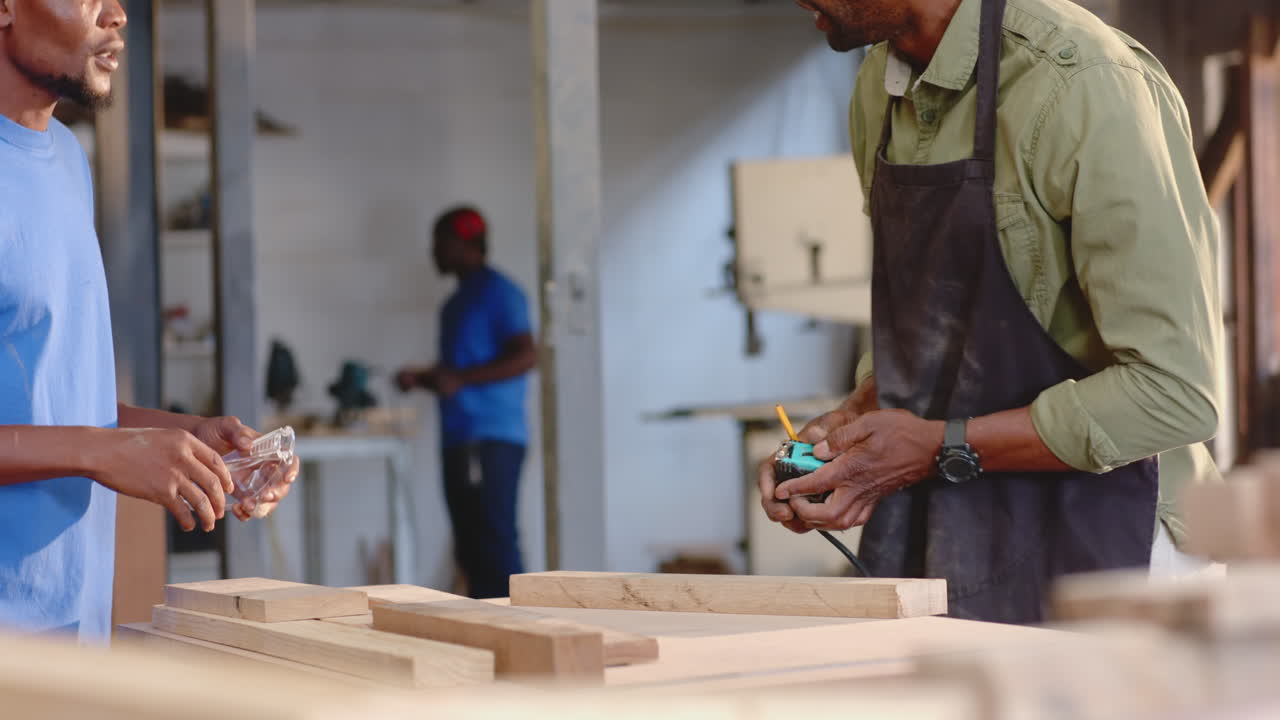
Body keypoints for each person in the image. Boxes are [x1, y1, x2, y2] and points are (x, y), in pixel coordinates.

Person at [760, 0, 1223, 623]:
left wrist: (934, 447)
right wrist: (854, 424)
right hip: (951, 545)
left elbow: (1175, 395)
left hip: (1110, 558)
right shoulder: (880, 86)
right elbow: (934, 316)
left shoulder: (1086, 83)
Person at [0, 0, 297, 643]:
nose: (116, 13)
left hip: (71, 623)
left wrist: (188, 439)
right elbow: (82, 440)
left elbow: (50, 397)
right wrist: (106, 452)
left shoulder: (67, 161)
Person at [396, 207, 537, 599]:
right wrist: (422, 378)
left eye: (440, 242)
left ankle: (521, 632)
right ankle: (488, 639)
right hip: (459, 440)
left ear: (466, 244)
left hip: (490, 440)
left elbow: (526, 355)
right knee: (471, 550)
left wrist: (459, 378)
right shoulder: (456, 303)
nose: (433, 251)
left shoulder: (500, 293)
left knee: (495, 544)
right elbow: (456, 375)